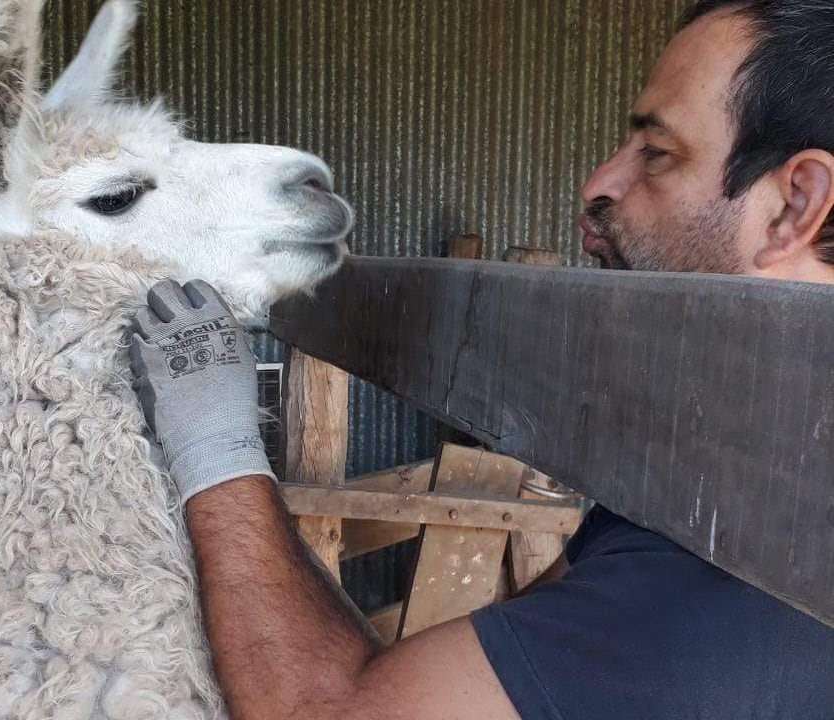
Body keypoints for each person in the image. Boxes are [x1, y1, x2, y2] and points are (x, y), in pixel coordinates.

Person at [128, 2, 834, 718]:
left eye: (657, 153)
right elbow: (539, 625)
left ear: (794, 205)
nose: (598, 183)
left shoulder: (746, 577)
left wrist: (216, 446)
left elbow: (323, 712)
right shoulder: (721, 479)